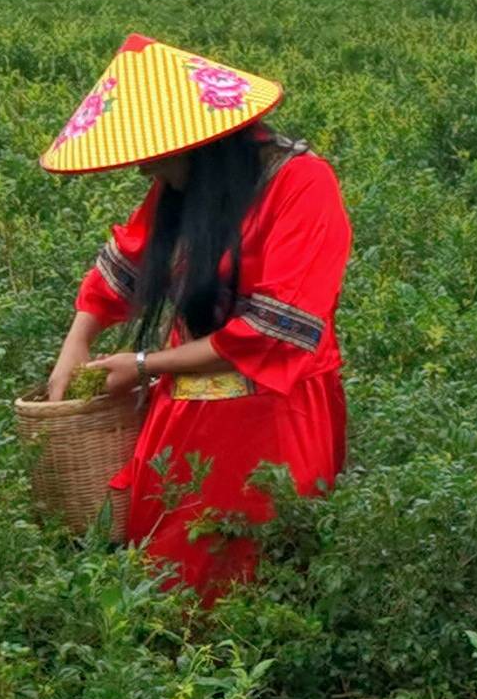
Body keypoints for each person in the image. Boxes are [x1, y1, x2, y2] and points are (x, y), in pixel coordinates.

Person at [40, 34, 352, 602]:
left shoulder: (303, 186)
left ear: (201, 143)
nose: (143, 169)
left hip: (270, 428)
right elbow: (124, 268)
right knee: (163, 580)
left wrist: (142, 362)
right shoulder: (188, 187)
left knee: (250, 589)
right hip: (182, 419)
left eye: (153, 154)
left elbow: (276, 330)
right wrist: (75, 344)